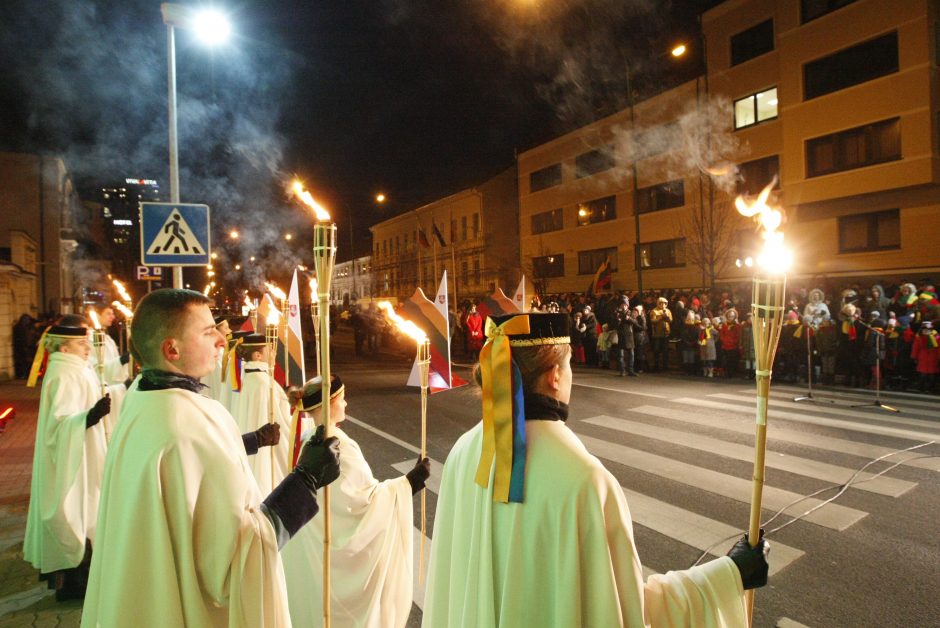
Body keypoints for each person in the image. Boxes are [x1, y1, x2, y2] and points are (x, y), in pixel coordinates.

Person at [423, 312, 768, 627]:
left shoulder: (462, 451)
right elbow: (620, 608)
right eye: (570, 364)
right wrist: (729, 575)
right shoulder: (583, 480)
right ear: (556, 376)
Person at [82, 289, 341, 627]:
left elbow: (186, 475)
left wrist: (249, 441)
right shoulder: (189, 422)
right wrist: (305, 480)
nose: (222, 339)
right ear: (171, 349)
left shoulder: (142, 395)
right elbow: (234, 562)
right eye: (207, 332)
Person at [281, 375, 430, 628]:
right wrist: (409, 483)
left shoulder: (308, 439)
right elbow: (363, 504)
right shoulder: (338, 445)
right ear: (329, 404)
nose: (347, 404)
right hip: (336, 556)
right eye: (342, 398)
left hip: (317, 547)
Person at [23, 324, 115, 601]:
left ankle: (83, 577)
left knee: (89, 507)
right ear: (64, 348)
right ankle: (74, 582)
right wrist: (89, 417)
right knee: (78, 509)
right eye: (80, 345)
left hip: (83, 449)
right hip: (73, 457)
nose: (87, 348)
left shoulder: (76, 368)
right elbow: (60, 424)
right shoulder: (64, 373)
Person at [229, 334, 293, 493]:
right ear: (258, 355)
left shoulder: (247, 378)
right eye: (269, 350)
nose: (274, 353)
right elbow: (282, 425)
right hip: (266, 452)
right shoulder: (265, 383)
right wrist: (307, 420)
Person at [649, 297, 672, 371]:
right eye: (661, 303)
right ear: (658, 303)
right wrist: (660, 318)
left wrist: (667, 318)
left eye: (665, 303)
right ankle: (657, 366)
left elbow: (671, 320)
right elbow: (652, 321)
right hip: (657, 334)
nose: (663, 305)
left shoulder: (668, 311)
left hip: (666, 334)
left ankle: (665, 366)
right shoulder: (654, 311)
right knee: (657, 351)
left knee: (665, 351)